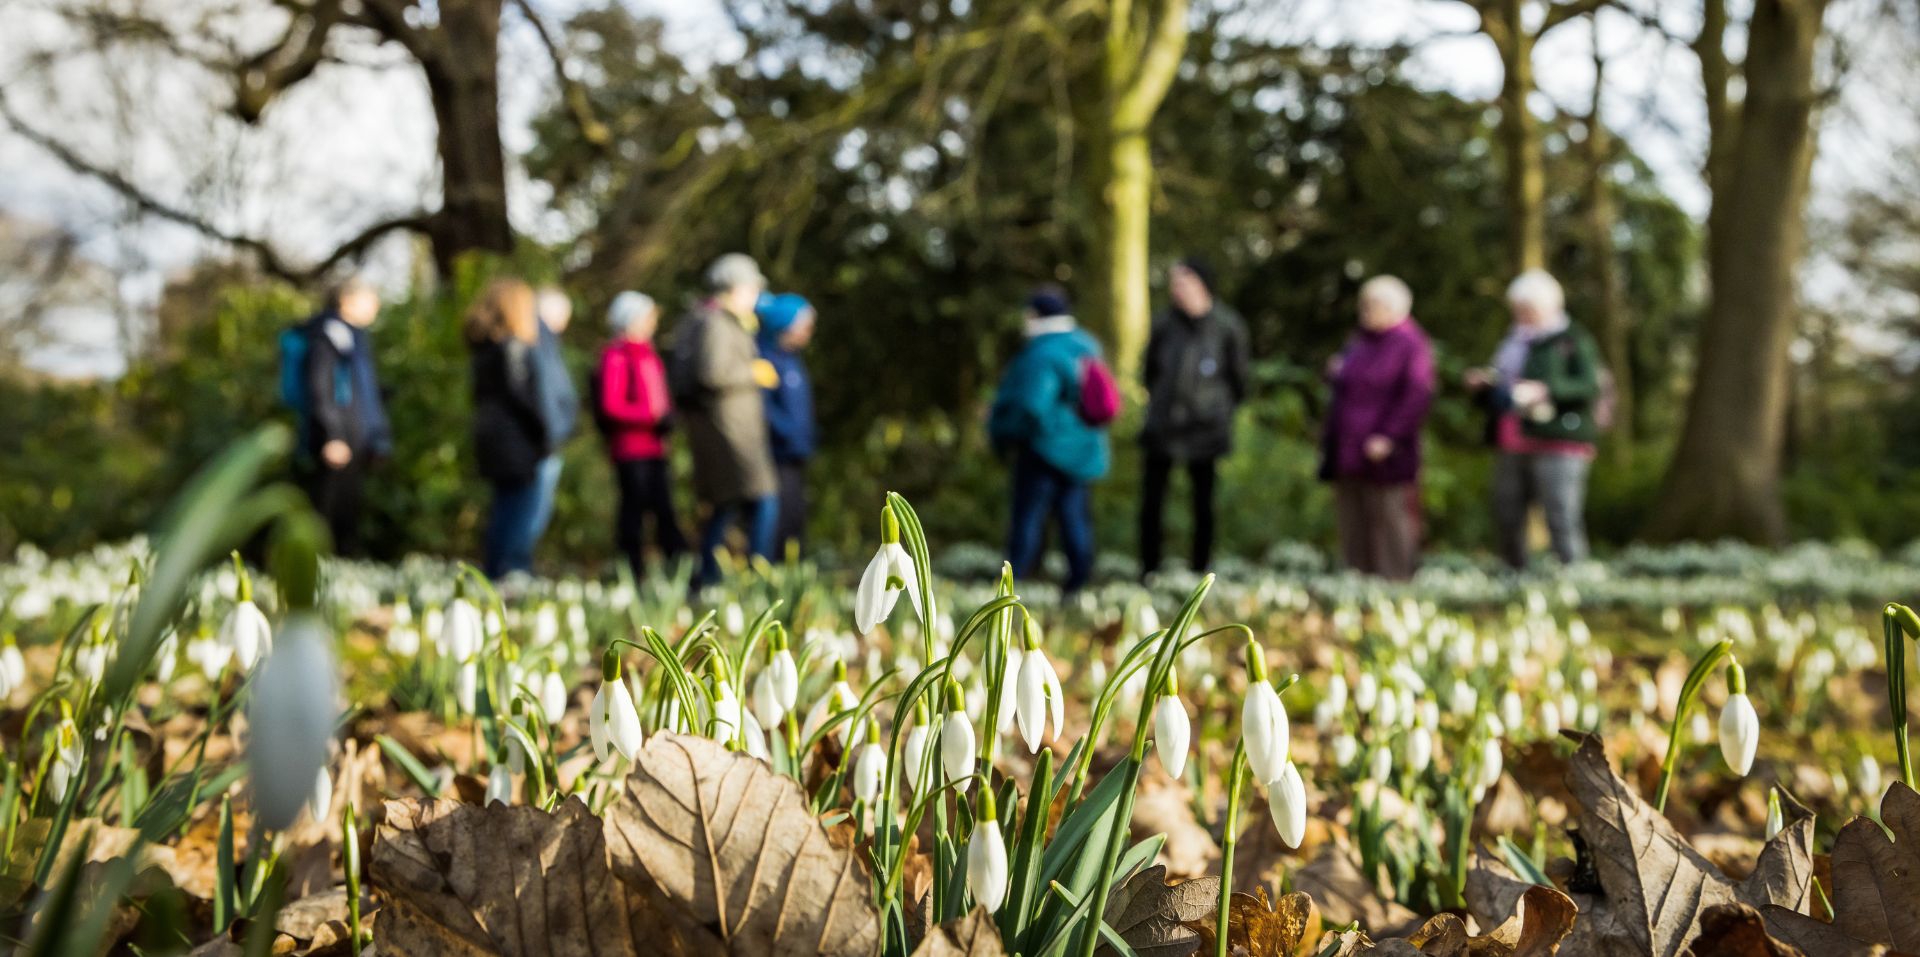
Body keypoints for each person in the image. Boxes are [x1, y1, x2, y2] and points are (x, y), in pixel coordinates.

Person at [1466, 270, 1603, 568]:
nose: (1522, 315)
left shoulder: (1572, 340)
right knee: (1507, 510)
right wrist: (1485, 386)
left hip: (1559, 440)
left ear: (1551, 305)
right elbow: (1503, 385)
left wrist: (1545, 390)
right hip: (1513, 438)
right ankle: (1513, 577)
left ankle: (1573, 579)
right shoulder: (1512, 342)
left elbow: (1590, 385)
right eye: (1518, 309)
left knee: (1560, 513)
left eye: (1528, 309)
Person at [988, 285, 1111, 593]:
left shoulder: (1042, 352)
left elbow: (1032, 405)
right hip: (1082, 447)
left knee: (1028, 517)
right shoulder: (1086, 344)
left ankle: (1011, 583)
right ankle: (1078, 583)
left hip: (1043, 448)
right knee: (1075, 519)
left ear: (1035, 315)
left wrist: (1004, 432)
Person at [669, 253, 779, 588]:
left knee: (725, 505)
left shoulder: (711, 319)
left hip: (728, 429)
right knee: (762, 500)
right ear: (735, 288)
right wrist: (753, 372)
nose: (756, 296)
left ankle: (709, 577)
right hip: (730, 431)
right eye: (752, 288)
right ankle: (753, 574)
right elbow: (711, 373)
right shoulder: (716, 323)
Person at [1138, 258, 1250, 577]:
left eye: (1184, 282)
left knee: (1203, 506)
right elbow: (1150, 372)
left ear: (1202, 284)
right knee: (1152, 505)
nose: (1178, 290)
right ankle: (1149, 569)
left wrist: (1216, 411)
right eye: (1174, 284)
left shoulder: (1228, 326)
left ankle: (1201, 571)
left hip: (1206, 430)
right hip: (1162, 427)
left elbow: (1240, 381)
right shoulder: (1163, 325)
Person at [1319, 275, 1434, 580]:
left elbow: (1416, 395)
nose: (1365, 311)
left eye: (1372, 305)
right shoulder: (1358, 340)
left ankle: (1395, 586)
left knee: (1389, 520)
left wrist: (1389, 436)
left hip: (1386, 450)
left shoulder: (1411, 343)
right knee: (1353, 520)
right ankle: (1358, 584)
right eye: (1364, 304)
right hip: (1348, 446)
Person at [595, 292, 688, 580]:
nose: (652, 324)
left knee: (664, 511)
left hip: (655, 446)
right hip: (630, 447)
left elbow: (659, 396)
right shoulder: (616, 356)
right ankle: (631, 572)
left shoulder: (649, 353)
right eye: (648, 317)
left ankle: (679, 570)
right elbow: (611, 405)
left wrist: (667, 420)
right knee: (633, 512)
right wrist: (650, 417)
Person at [464, 278, 551, 580]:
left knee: (504, 505)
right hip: (515, 437)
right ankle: (513, 570)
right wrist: (542, 431)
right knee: (522, 506)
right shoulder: (512, 347)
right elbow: (521, 395)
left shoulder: (482, 347)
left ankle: (495, 569)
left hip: (489, 435)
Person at [299, 276, 391, 557]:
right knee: (327, 511)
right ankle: (313, 571)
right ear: (347, 300)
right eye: (369, 297)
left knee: (348, 511)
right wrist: (332, 435)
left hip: (355, 436)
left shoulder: (353, 336)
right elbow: (320, 387)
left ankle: (339, 573)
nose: (375, 304)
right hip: (337, 437)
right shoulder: (329, 335)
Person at [755, 292, 817, 559]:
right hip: (776, 454)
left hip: (796, 452)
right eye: (804, 325)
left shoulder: (793, 360)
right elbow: (763, 407)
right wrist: (787, 433)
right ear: (785, 324)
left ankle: (793, 569)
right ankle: (774, 569)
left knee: (795, 517)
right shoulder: (764, 361)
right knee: (778, 518)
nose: (808, 332)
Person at [528, 286, 580, 557]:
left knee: (533, 508)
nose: (565, 323)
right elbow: (544, 391)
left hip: (548, 434)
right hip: (543, 438)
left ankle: (517, 566)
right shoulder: (537, 338)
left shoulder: (544, 339)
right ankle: (513, 568)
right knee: (529, 510)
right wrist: (550, 430)